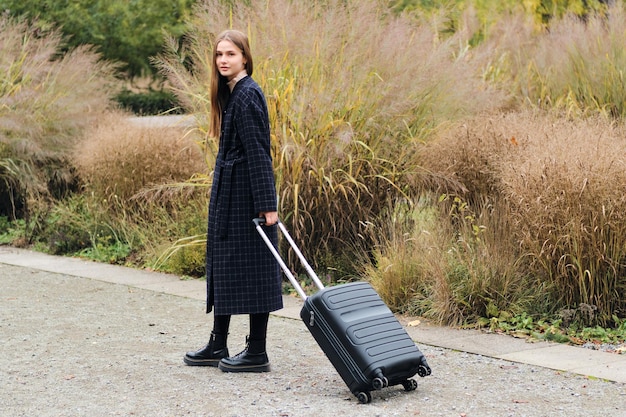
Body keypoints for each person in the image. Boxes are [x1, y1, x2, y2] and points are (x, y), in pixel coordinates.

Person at [183, 29, 282, 373]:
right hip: (231, 194)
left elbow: (259, 153)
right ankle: (218, 343)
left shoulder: (248, 94)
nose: (223, 60)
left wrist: (268, 204)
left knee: (256, 268)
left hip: (247, 197)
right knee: (224, 265)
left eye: (231, 54)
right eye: (219, 54)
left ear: (245, 58)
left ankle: (257, 351)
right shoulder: (232, 94)